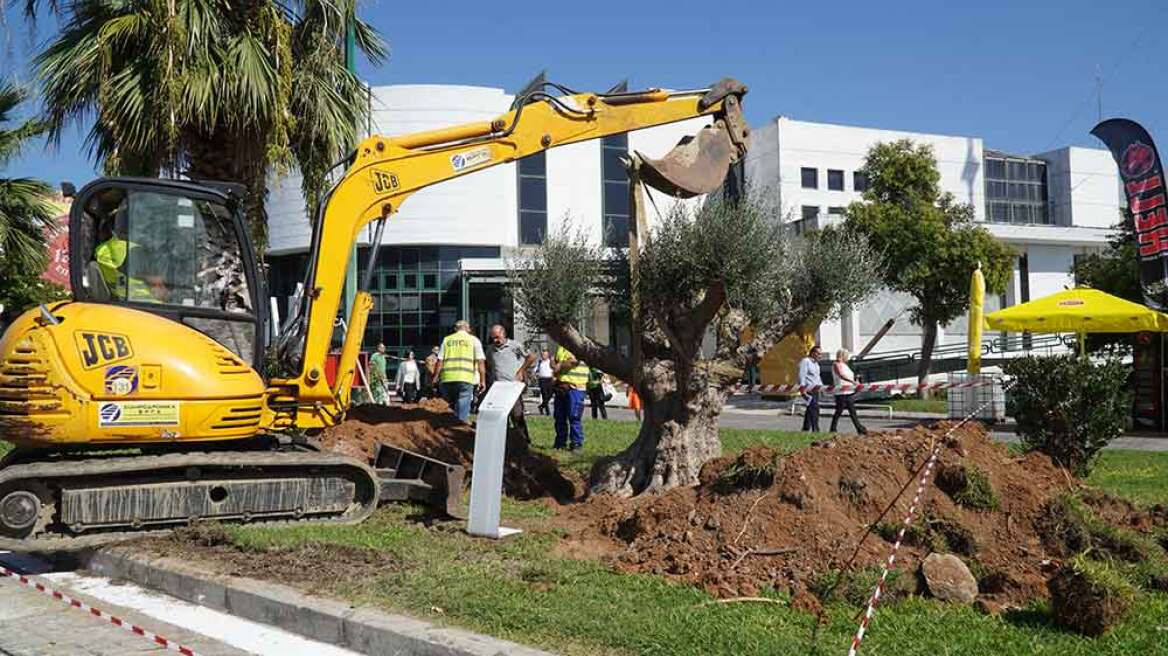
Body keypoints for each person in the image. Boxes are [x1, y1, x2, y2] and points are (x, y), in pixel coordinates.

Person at [485, 324, 536, 442]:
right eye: (493, 338)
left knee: (517, 414)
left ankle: (524, 439)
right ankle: (504, 440)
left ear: (503, 334)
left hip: (513, 387)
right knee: (501, 416)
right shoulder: (490, 349)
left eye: (497, 337)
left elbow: (531, 357)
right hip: (498, 387)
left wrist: (521, 371)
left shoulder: (515, 346)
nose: (495, 340)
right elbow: (489, 364)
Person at [433, 320, 486, 422]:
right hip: (465, 379)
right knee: (462, 411)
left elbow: (439, 361)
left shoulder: (447, 340)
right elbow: (480, 362)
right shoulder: (474, 340)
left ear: (455, 329)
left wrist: (435, 378)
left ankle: (444, 429)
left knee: (447, 410)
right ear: (468, 329)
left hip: (447, 379)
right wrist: (482, 381)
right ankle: (458, 431)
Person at [552, 345, 589, 450]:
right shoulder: (560, 346)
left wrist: (559, 366)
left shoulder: (576, 344)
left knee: (574, 416)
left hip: (575, 387)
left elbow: (573, 362)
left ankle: (576, 443)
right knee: (559, 416)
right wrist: (557, 366)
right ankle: (560, 442)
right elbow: (553, 361)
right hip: (561, 386)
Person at [829, 348, 867, 435]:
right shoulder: (836, 364)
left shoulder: (845, 365)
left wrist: (855, 379)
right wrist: (852, 382)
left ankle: (859, 428)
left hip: (849, 391)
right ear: (843, 355)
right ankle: (833, 428)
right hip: (841, 392)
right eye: (846, 356)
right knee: (839, 410)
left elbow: (848, 376)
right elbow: (841, 375)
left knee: (852, 411)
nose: (848, 358)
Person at [797, 345, 823, 432]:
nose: (820, 356)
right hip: (808, 390)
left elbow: (817, 377)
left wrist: (821, 388)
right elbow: (802, 375)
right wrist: (802, 389)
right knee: (814, 408)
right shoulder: (806, 361)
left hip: (816, 390)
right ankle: (816, 429)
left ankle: (805, 428)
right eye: (818, 354)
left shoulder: (816, 364)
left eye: (821, 354)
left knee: (810, 408)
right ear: (813, 353)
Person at [535, 349, 554, 415]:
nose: (544, 356)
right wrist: (536, 374)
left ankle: (541, 406)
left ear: (548, 355)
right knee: (545, 396)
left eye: (545, 355)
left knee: (550, 394)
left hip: (550, 379)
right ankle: (547, 412)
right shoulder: (539, 362)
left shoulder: (550, 362)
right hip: (542, 380)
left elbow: (554, 369)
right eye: (543, 354)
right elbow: (535, 370)